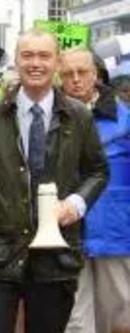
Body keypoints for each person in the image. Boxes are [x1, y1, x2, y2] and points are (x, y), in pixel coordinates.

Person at [0, 29, 109, 333]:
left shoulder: (78, 117)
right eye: (27, 55)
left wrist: (76, 204)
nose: (35, 63)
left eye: (43, 56)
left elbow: (98, 171)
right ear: (16, 60)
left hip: (56, 257)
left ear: (57, 62)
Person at [60, 49, 130, 333]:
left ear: (96, 74)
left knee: (120, 317)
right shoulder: (51, 114)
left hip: (115, 230)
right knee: (75, 321)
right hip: (66, 230)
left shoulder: (124, 119)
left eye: (82, 72)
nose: (76, 80)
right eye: (67, 74)